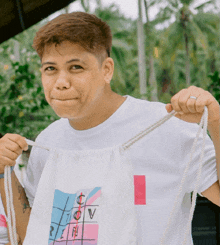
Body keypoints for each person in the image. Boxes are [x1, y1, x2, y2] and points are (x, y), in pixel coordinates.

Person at [0, 12, 219, 244]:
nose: (61, 82)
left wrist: (215, 121)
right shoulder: (48, 142)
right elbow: (31, 236)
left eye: (76, 67)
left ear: (107, 69)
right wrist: (3, 170)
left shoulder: (166, 126)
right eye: (50, 69)